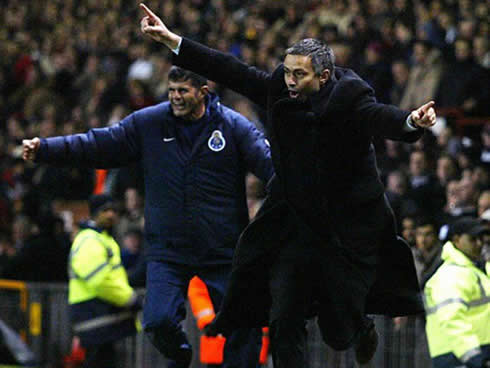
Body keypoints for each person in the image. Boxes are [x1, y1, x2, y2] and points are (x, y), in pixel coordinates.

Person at [138, 3, 436, 366]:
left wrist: (411, 121)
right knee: (283, 320)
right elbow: (229, 70)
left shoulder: (350, 101)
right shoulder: (280, 91)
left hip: (341, 230)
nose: (290, 80)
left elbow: (381, 118)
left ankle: (360, 328)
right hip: (293, 227)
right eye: (288, 72)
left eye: (300, 75)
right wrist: (173, 41)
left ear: (324, 77)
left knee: (337, 330)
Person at [22, 66, 272, 368]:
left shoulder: (233, 126)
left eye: (183, 91)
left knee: (245, 324)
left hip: (223, 250)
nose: (176, 97)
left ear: (203, 92)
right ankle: (180, 352)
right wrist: (46, 149)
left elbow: (270, 166)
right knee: (156, 321)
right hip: (168, 251)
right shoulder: (151, 123)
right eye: (171, 91)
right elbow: (98, 143)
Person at [67, 194, 143, 368]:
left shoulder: (102, 239)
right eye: (105, 210)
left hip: (100, 315)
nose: (111, 214)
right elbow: (100, 281)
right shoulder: (90, 240)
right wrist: (129, 298)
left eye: (114, 210)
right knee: (100, 361)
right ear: (94, 213)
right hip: (94, 314)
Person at [424, 217, 490, 368]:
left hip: (473, 355)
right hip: (460, 358)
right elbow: (452, 319)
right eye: (473, 239)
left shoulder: (476, 271)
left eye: (481, 238)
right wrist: (475, 357)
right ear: (456, 240)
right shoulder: (451, 275)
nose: (479, 244)